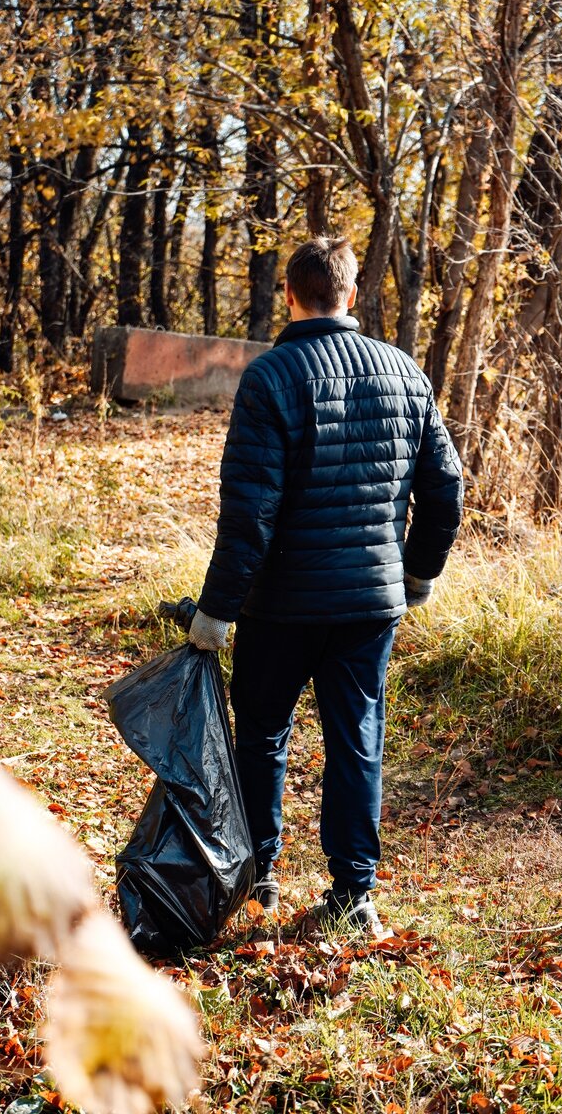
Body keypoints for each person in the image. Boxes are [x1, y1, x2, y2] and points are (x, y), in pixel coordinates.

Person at [188, 237, 463, 932]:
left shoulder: (271, 376)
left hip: (280, 607)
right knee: (355, 740)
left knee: (261, 739)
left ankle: (261, 882)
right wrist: (416, 572)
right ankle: (353, 895)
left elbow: (250, 513)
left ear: (289, 293)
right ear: (352, 294)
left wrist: (216, 612)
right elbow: (445, 488)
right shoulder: (403, 371)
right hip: (369, 602)